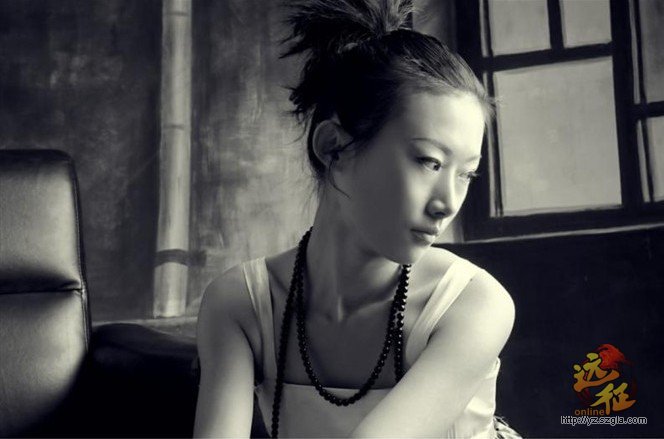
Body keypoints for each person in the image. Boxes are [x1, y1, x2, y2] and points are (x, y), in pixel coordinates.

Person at [194, 0, 518, 437]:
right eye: (430, 162)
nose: (448, 203)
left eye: (467, 174)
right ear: (334, 148)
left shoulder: (474, 304)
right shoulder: (241, 304)